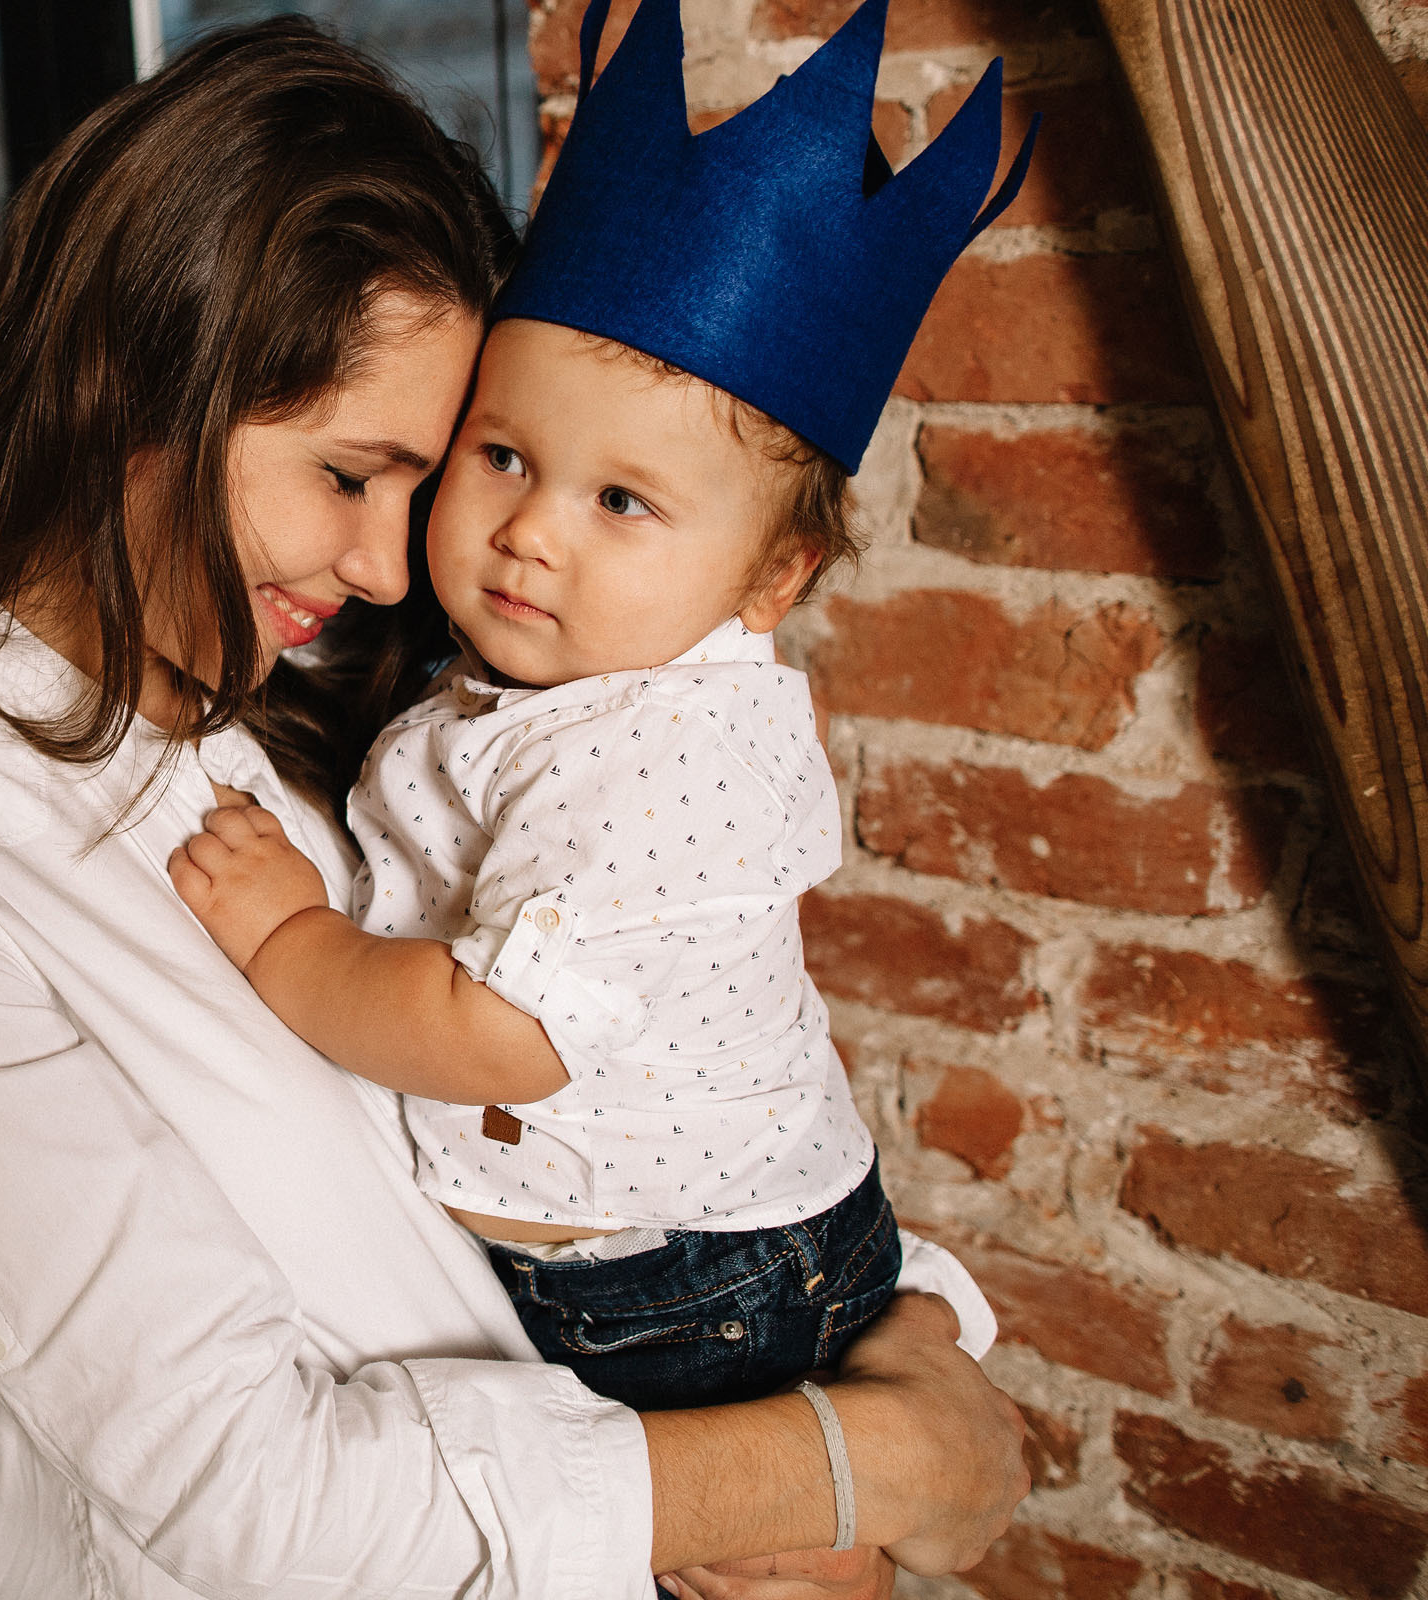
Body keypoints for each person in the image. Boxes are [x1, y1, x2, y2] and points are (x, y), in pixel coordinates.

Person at [0, 19, 1027, 1599]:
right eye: (353, 477)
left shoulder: (332, 714)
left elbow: (679, 1074)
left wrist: (917, 1347)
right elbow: (252, 1496)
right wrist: (849, 1467)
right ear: (118, 379)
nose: (387, 568)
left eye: (423, 487)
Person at [168, 0, 1028, 1416]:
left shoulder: (656, 754)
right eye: (502, 456)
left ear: (772, 577)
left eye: (622, 501)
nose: (531, 534)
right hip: (669, 1253)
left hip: (686, 1289)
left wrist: (289, 939)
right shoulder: (558, 680)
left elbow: (504, 1034)